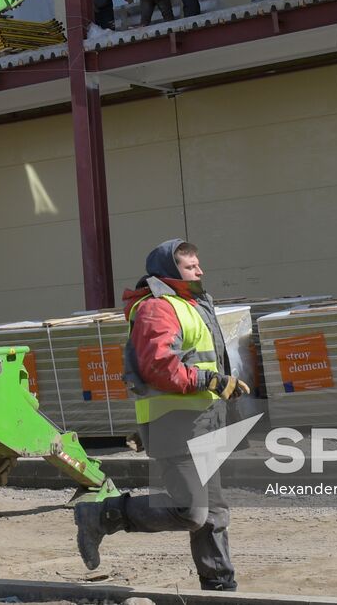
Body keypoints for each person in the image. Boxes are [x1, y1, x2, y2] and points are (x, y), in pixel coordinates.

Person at [74, 239, 248, 592]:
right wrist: (212, 380)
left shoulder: (194, 303)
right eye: (190, 266)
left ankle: (219, 587)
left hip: (202, 421)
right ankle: (101, 515)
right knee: (191, 512)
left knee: (212, 514)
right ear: (169, 272)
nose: (199, 270)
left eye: (198, 264)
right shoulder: (158, 307)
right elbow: (158, 366)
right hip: (175, 424)